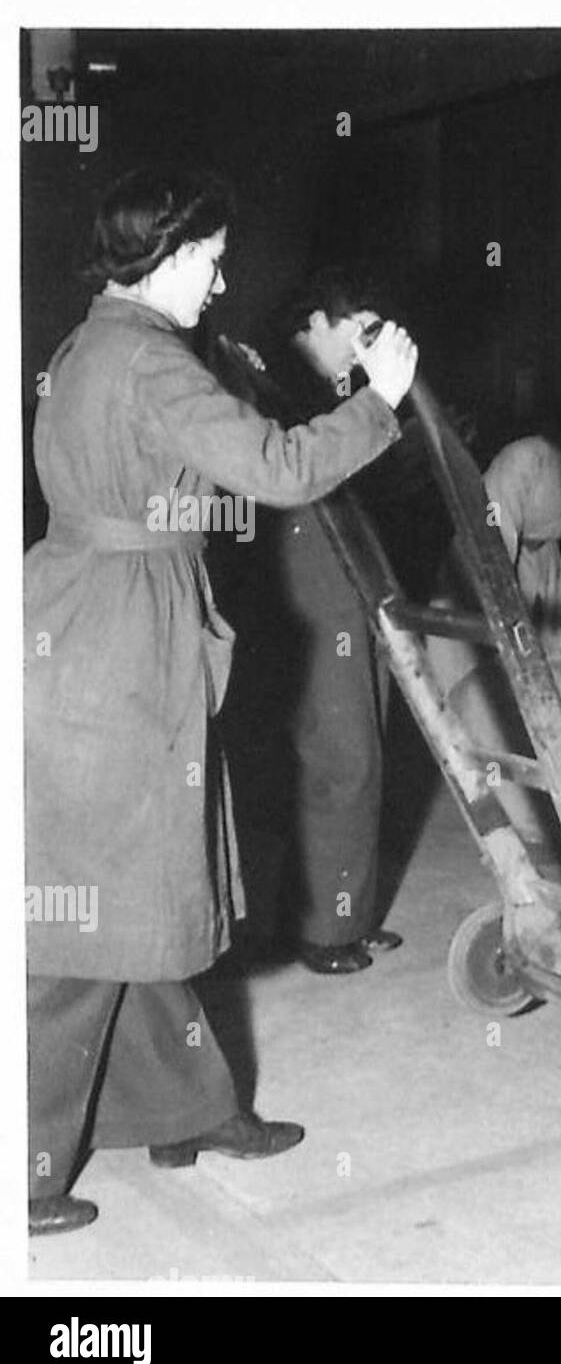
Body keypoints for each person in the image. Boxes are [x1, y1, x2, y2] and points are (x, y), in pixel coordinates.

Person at [24, 165, 418, 1235]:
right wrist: (377, 400)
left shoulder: (85, 344)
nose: (221, 274)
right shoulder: (149, 360)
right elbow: (279, 468)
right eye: (206, 257)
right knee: (81, 921)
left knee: (137, 890)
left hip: (81, 620)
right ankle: (25, 1167)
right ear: (159, 259)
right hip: (121, 644)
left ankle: (189, 1107)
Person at [214, 268, 433, 974]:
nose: (359, 350)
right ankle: (322, 931)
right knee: (341, 758)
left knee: (362, 747)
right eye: (355, 330)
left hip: (351, 584)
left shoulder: (315, 391)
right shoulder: (257, 381)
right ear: (310, 322)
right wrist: (375, 394)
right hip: (309, 592)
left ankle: (346, 913)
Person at [427, 382, 561, 850]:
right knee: (455, 693)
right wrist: (503, 626)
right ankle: (480, 809)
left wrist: (558, 628)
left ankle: (531, 802)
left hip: (541, 567)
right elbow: (493, 544)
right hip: (479, 564)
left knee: (546, 670)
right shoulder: (527, 458)